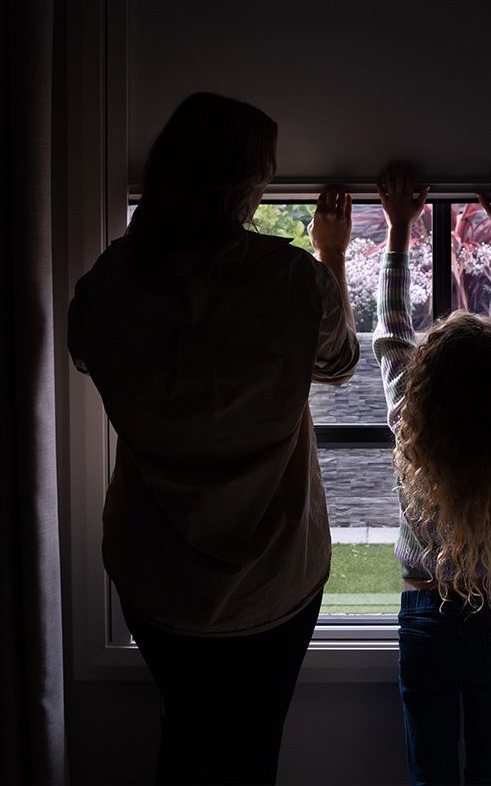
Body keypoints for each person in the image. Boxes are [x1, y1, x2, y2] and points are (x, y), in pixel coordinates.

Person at [67, 92, 359, 785]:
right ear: (245, 185)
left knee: (189, 731)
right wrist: (331, 254)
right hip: (273, 580)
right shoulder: (293, 281)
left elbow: (86, 350)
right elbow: (341, 361)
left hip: (158, 574)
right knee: (253, 746)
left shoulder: (110, 283)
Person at [373, 164, 491, 786]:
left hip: (423, 613)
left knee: (431, 775)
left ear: (426, 385)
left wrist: (398, 231)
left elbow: (391, 330)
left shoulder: (409, 421)